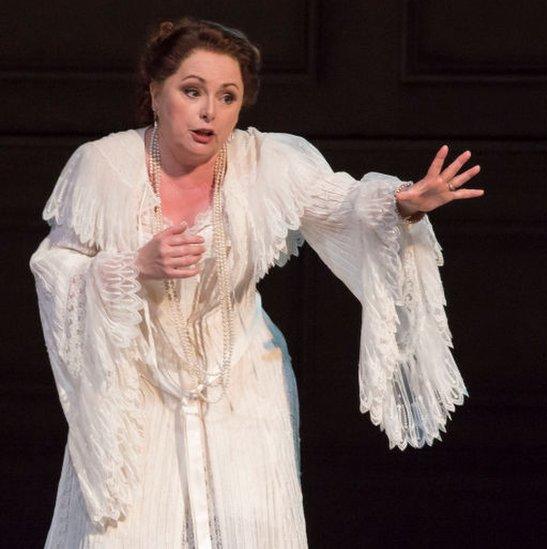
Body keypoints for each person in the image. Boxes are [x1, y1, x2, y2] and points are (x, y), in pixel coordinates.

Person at [30, 18, 483, 547]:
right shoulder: (103, 165)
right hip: (139, 389)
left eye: (228, 97)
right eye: (192, 91)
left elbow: (340, 203)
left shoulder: (264, 163)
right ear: (156, 92)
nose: (209, 112)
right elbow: (56, 267)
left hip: (242, 383)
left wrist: (401, 203)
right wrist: (132, 267)